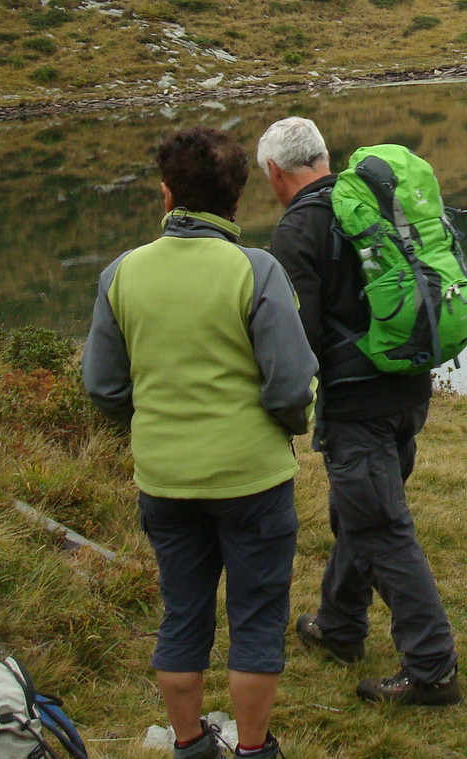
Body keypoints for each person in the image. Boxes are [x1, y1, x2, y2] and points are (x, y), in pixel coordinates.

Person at [82, 127, 316, 759]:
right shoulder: (256, 270)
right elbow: (291, 384)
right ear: (236, 199)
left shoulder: (121, 273)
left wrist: (152, 424)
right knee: (257, 618)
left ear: (166, 195)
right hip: (253, 478)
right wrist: (288, 426)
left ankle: (189, 744)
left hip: (165, 480)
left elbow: (103, 386)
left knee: (182, 613)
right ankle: (254, 749)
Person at [256, 115, 462, 707]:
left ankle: (432, 668)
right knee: (361, 513)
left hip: (357, 403)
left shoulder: (299, 229)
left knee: (379, 527)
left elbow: (301, 337)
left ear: (275, 171)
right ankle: (340, 625)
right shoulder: (369, 202)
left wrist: (281, 404)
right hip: (409, 387)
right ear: (323, 157)